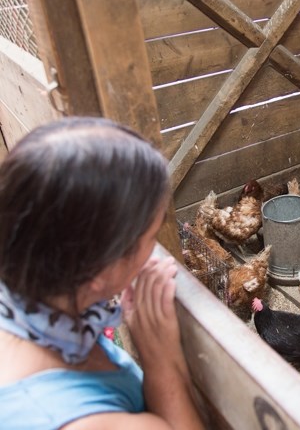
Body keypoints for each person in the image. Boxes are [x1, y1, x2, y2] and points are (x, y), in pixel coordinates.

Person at [0, 117, 205, 429]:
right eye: (152, 238)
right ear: (99, 270)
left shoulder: (30, 298)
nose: (154, 250)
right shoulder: (86, 422)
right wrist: (161, 359)